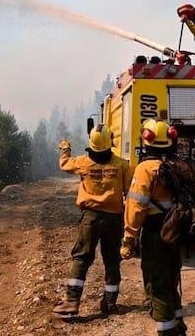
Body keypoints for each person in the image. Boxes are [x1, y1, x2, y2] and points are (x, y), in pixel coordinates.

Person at [53, 127, 132, 318]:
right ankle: (110, 303)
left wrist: (65, 148)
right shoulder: (122, 165)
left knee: (81, 258)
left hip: (90, 218)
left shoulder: (83, 162)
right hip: (114, 219)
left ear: (92, 143)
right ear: (110, 142)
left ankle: (72, 302)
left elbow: (64, 164)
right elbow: (129, 192)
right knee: (112, 259)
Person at [121, 119, 187, 335]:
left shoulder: (145, 169)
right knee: (170, 281)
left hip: (155, 234)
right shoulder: (178, 165)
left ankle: (166, 331)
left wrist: (129, 239)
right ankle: (179, 328)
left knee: (157, 287)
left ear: (147, 140)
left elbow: (135, 207)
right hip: (176, 232)